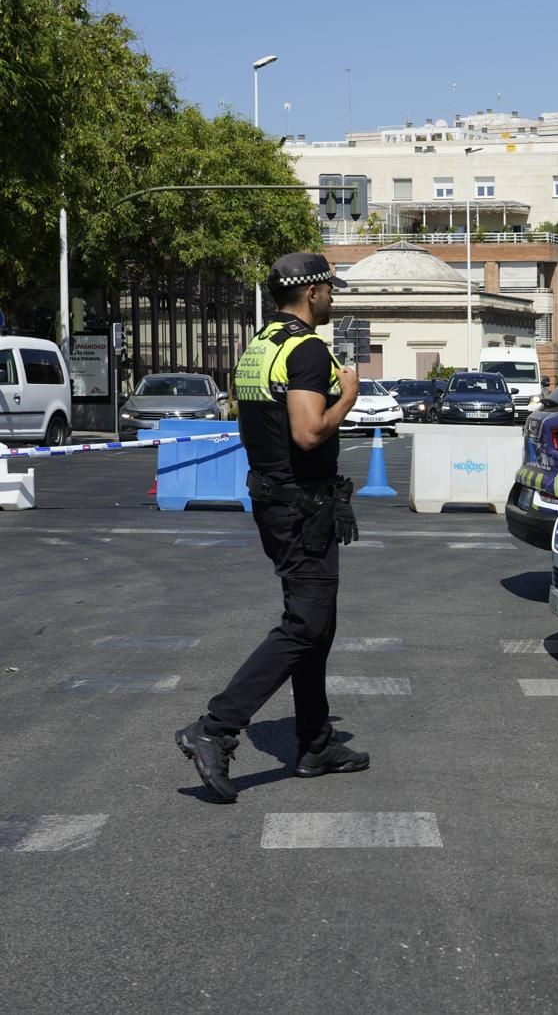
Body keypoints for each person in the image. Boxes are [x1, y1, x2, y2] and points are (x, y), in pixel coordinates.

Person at [174, 252, 368, 803]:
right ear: (311, 293)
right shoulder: (306, 350)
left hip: (277, 502)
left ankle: (315, 742)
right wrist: (348, 397)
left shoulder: (261, 345)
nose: (333, 297)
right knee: (305, 625)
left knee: (318, 624)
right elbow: (308, 434)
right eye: (330, 288)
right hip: (301, 507)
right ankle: (214, 728)